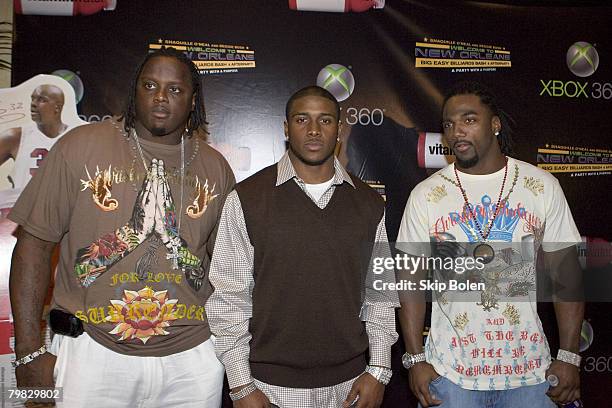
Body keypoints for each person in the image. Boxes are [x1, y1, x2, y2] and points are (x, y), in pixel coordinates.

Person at [8, 47, 235, 407]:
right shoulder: (79, 147)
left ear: (193, 101)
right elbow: (33, 247)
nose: (161, 97)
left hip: (191, 358)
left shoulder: (216, 169)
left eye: (175, 89)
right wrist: (28, 353)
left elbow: (220, 275)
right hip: (91, 354)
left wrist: (170, 239)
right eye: (150, 85)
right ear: (135, 92)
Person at [206, 86, 399, 408]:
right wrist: (241, 385)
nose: (313, 130)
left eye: (325, 120)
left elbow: (379, 295)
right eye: (301, 119)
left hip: (350, 384)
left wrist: (379, 370)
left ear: (339, 129)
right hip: (270, 387)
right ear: (285, 128)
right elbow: (229, 297)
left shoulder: (368, 203)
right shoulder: (248, 199)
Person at [396, 81, 584, 407]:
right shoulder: (426, 195)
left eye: (469, 120)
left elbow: (566, 272)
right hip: (450, 376)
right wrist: (415, 359)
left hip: (531, 375)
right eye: (449, 124)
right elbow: (408, 279)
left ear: (494, 124)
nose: (457, 132)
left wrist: (569, 357)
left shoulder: (540, 186)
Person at [0, 84, 68, 191]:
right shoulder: (16, 136)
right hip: (25, 206)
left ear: (57, 107)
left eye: (41, 100)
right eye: (33, 99)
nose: (33, 104)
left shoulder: (76, 136)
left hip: (61, 206)